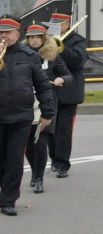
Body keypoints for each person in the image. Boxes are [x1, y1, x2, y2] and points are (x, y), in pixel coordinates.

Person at [0, 15, 56, 216]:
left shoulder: (29, 55)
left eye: (8, 32)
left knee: (15, 159)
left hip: (21, 116)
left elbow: (42, 85)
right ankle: (6, 189)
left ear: (17, 34)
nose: (4, 36)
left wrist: (47, 112)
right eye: (1, 32)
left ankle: (8, 200)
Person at [24, 22, 71, 194]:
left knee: (41, 141)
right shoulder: (23, 55)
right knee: (29, 145)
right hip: (27, 103)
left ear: (44, 38)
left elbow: (67, 74)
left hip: (47, 103)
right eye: (31, 37)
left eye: (38, 37)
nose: (34, 40)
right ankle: (35, 171)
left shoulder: (53, 56)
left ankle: (38, 178)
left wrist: (62, 79)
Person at [47, 11, 88, 178]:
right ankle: (54, 158)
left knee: (64, 129)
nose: (54, 28)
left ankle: (62, 162)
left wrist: (61, 48)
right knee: (50, 128)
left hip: (69, 91)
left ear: (67, 24)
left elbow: (78, 62)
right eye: (52, 25)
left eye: (58, 25)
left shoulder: (78, 41)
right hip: (50, 90)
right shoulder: (46, 40)